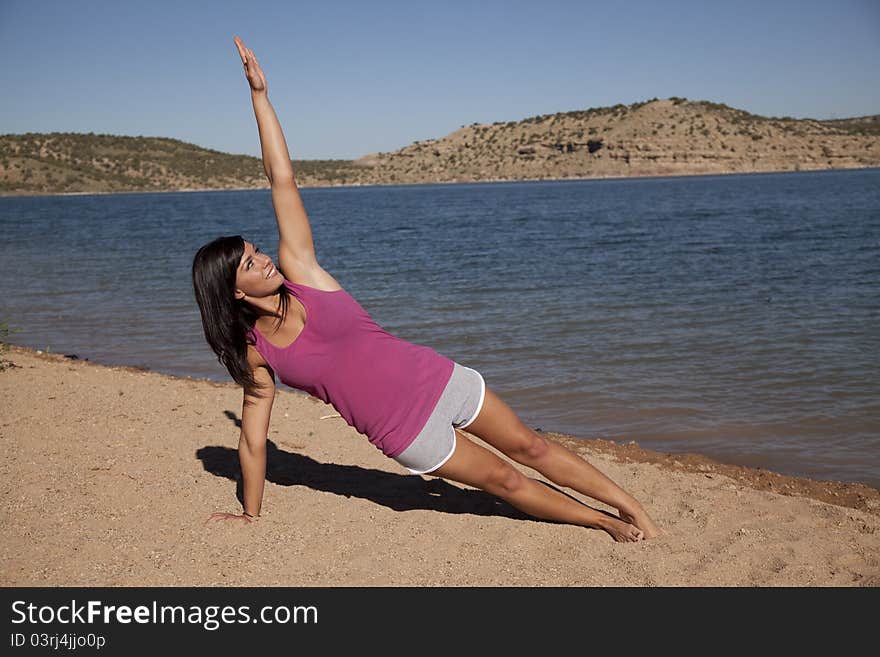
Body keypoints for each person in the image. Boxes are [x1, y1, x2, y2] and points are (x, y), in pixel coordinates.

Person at [192, 36, 661, 543]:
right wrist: (251, 513)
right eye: (250, 263)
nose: (263, 259)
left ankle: (631, 505)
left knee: (531, 447)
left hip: (438, 379)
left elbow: (280, 179)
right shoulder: (255, 353)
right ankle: (602, 521)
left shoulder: (302, 272)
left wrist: (260, 97)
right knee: (505, 480)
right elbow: (253, 441)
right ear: (233, 291)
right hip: (404, 433)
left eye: (258, 250)